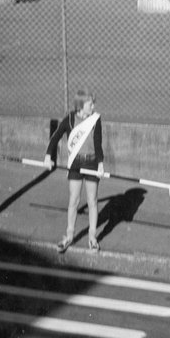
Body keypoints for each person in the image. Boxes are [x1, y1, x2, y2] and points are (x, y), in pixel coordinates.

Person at [44, 89, 104, 253]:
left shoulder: (95, 119)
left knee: (92, 201)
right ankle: (69, 235)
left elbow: (98, 143)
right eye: (90, 103)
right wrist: (48, 156)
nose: (93, 106)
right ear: (81, 105)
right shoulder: (70, 119)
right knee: (74, 200)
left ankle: (92, 237)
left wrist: (100, 164)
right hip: (75, 163)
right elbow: (55, 137)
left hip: (91, 162)